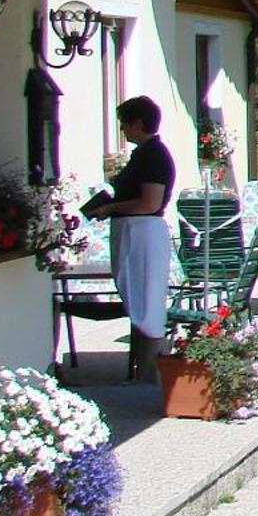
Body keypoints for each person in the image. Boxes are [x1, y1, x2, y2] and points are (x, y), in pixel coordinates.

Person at [86, 96, 176, 381]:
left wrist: (111, 207)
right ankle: (142, 372)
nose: (123, 129)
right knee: (137, 299)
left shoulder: (154, 155)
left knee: (146, 302)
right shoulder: (144, 153)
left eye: (125, 123)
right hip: (132, 231)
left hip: (143, 234)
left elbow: (150, 202)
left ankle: (150, 373)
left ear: (138, 123)